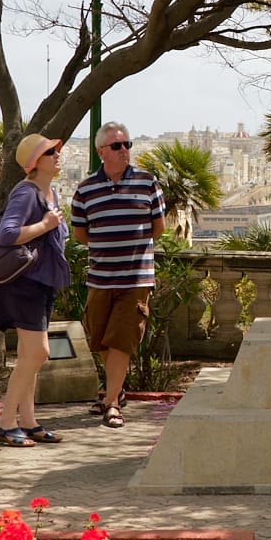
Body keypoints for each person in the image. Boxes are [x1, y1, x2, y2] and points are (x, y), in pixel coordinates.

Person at [70, 121, 167, 428]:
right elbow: (79, 233)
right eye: (116, 146)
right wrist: (105, 246)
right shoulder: (85, 189)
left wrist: (132, 249)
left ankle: (111, 403)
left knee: (121, 341)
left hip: (135, 278)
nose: (123, 150)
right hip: (100, 278)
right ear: (101, 152)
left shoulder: (147, 182)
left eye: (127, 145)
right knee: (100, 340)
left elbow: (158, 227)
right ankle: (117, 390)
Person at [0, 133, 71, 447]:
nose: (58, 154)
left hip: (42, 282)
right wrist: (45, 225)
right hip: (26, 283)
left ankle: (28, 420)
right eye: (51, 151)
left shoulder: (49, 192)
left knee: (29, 355)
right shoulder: (26, 192)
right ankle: (6, 422)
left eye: (57, 150)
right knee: (37, 353)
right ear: (35, 162)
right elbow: (8, 234)